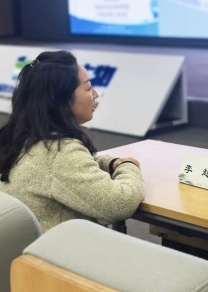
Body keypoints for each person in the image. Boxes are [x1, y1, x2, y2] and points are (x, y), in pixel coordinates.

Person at [0, 50, 144, 232]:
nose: (95, 94)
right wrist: (128, 166)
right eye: (88, 88)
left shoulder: (22, 138)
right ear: (63, 99)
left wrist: (110, 163)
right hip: (56, 249)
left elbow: (72, 167)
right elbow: (119, 203)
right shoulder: (59, 151)